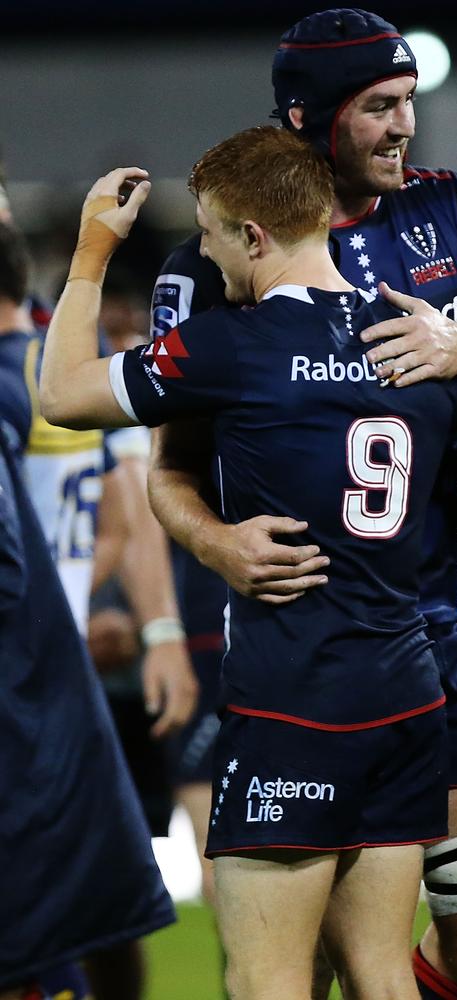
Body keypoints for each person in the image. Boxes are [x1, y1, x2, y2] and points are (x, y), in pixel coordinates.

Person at [146, 10, 457, 999]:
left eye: (408, 104)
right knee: (305, 954)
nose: (404, 128)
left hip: (438, 620)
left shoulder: (449, 212)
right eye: (379, 107)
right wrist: (215, 545)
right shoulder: (223, 256)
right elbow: (166, 469)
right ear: (308, 117)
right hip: (303, 643)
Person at [38, 127, 457, 999]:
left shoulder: (235, 344)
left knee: (270, 979)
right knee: (382, 973)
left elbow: (62, 394)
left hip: (294, 696)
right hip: (410, 691)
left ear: (254, 236)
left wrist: (91, 252)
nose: (209, 255)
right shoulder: (419, 340)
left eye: (213, 234)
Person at [0, 223, 175, 1000]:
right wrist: (69, 596)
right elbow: (118, 522)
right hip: (63, 662)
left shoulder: (11, 382)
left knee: (32, 919)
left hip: (21, 677)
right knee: (103, 900)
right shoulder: (57, 369)